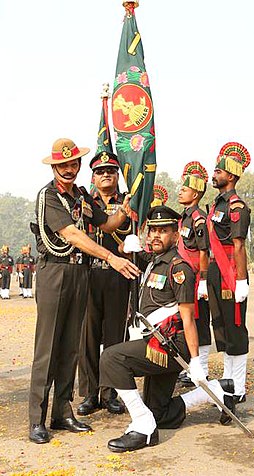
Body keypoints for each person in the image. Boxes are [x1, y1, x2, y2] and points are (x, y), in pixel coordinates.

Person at [28, 138, 140, 445]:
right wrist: (111, 258)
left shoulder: (81, 196)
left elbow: (105, 224)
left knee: (70, 347)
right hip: (55, 272)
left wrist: (127, 208)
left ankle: (61, 412)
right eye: (62, 165)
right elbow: (72, 233)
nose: (68, 169)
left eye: (73, 164)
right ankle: (36, 418)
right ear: (54, 167)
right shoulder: (48, 196)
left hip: (80, 273)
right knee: (48, 348)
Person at [99, 205, 235, 453]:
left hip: (171, 345)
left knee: (111, 358)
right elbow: (129, 253)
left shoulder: (178, 268)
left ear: (176, 234)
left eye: (163, 231)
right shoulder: (154, 262)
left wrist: (195, 361)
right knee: (161, 414)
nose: (155, 236)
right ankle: (218, 391)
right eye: (152, 231)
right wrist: (123, 246)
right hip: (157, 340)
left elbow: (188, 318)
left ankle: (143, 427)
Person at [77, 151, 131, 417]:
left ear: (118, 175)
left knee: (114, 337)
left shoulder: (129, 202)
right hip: (90, 274)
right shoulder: (85, 201)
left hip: (118, 277)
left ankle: (110, 392)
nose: (106, 174)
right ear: (93, 177)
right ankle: (89, 394)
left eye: (111, 170)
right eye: (100, 171)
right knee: (87, 336)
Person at [206, 142, 251, 407]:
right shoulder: (216, 204)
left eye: (218, 171)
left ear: (230, 176)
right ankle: (227, 382)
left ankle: (240, 386)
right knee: (220, 327)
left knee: (235, 328)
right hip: (214, 269)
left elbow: (239, 245)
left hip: (231, 271)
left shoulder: (236, 206)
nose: (214, 174)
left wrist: (242, 280)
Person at [177, 162, 212, 386]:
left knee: (199, 321)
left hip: (196, 277)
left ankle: (203, 367)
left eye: (185, 188)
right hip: (185, 275)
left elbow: (203, 251)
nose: (180, 190)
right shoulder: (186, 216)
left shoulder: (198, 218)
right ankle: (192, 365)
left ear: (196, 193)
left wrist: (203, 281)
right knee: (187, 321)